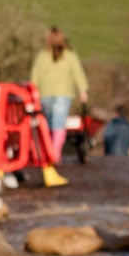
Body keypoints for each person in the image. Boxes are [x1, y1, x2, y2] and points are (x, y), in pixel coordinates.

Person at [29, 27, 88, 188]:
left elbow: (35, 76)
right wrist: (82, 91)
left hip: (45, 95)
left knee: (47, 127)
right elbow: (78, 73)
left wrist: (32, 92)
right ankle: (53, 157)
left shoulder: (42, 56)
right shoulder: (70, 55)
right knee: (59, 127)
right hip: (63, 95)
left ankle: (48, 155)